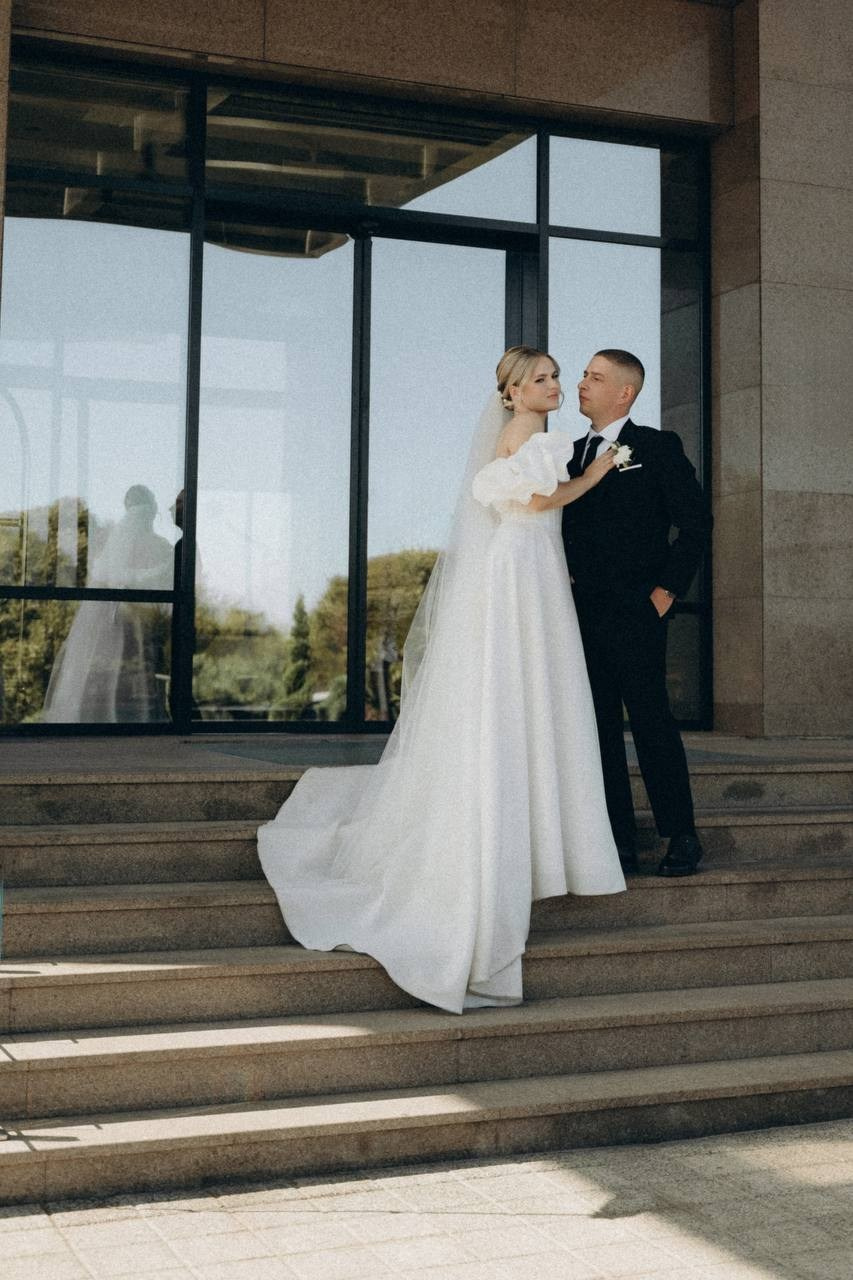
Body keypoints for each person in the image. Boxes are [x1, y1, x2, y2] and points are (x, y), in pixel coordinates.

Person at [257, 347, 625, 1015]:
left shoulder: (531, 432)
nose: (555, 386)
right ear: (514, 393)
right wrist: (595, 474)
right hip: (524, 564)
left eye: (555, 377)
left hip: (531, 562)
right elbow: (537, 499)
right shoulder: (527, 433)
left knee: (527, 693)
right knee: (524, 691)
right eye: (542, 379)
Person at [562, 349, 712, 877]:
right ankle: (617, 841)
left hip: (638, 612)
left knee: (651, 722)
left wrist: (665, 593)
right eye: (584, 374)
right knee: (597, 727)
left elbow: (695, 523)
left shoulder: (656, 446)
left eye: (595, 377)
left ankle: (682, 835)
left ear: (624, 392)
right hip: (578, 616)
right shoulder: (568, 456)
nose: (582, 383)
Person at [42, 484, 173, 723]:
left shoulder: (113, 545)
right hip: (134, 618)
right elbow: (125, 579)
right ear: (151, 511)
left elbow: (110, 576)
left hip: (123, 618)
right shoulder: (161, 548)